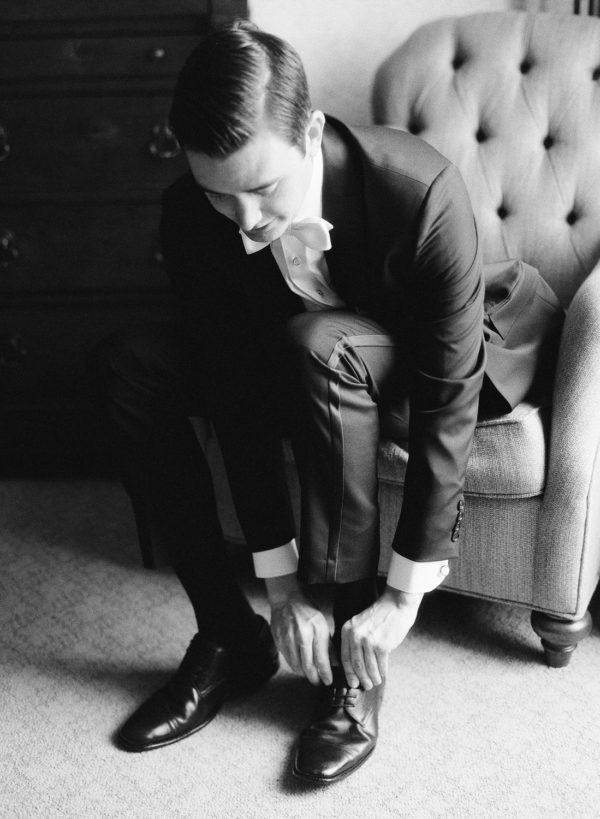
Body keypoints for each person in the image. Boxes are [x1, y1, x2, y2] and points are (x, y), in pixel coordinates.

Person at [91, 21, 563, 783]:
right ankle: (229, 636)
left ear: (310, 131)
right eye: (219, 193)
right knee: (131, 363)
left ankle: (351, 666)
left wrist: (403, 595)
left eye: (262, 188)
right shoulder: (191, 215)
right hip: (298, 358)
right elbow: (232, 389)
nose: (246, 220)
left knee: (320, 343)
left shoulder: (420, 188)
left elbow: (447, 401)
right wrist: (279, 585)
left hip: (436, 355)